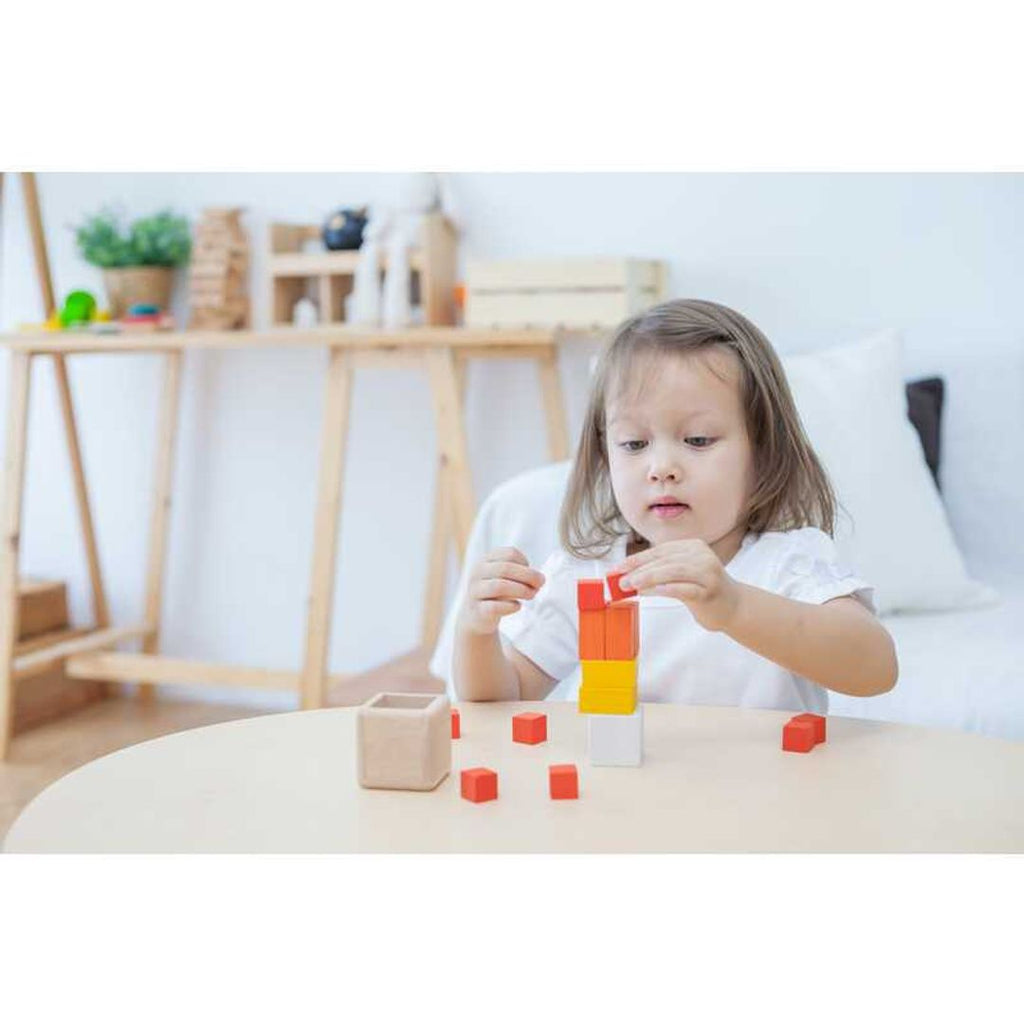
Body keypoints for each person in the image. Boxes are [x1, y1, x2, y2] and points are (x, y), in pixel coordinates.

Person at [452, 298, 898, 712]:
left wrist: (735, 607)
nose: (661, 467)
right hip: (629, 796)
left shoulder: (787, 561)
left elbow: (876, 668)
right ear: (606, 455)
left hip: (763, 795)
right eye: (634, 443)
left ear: (762, 450)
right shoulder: (585, 575)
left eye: (698, 440)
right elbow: (502, 700)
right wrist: (475, 631)